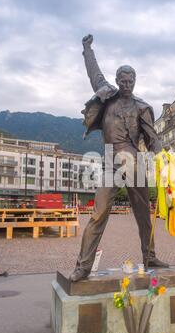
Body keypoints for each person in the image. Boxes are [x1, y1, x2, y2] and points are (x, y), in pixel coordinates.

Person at [70, 34, 168, 282]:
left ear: (135, 81)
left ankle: (150, 256)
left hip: (135, 161)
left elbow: (153, 137)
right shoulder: (107, 94)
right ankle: (83, 266)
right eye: (123, 81)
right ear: (116, 81)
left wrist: (164, 157)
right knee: (99, 213)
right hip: (110, 160)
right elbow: (93, 72)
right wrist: (87, 49)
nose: (126, 85)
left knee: (143, 214)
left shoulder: (142, 107)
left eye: (130, 81)